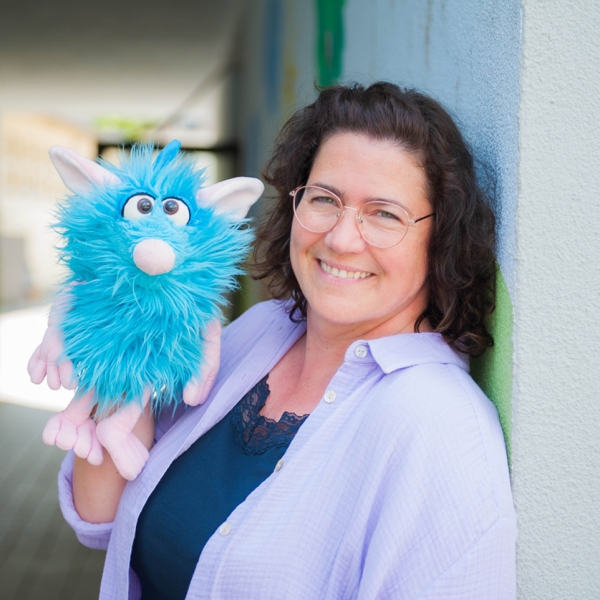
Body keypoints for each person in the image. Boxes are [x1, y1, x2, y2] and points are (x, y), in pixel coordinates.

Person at [59, 82, 517, 599]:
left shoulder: (440, 428)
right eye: (324, 199)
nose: (341, 239)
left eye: (384, 214)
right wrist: (119, 361)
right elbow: (100, 517)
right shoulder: (259, 331)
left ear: (441, 238)